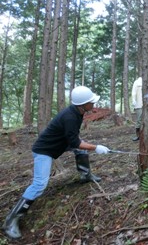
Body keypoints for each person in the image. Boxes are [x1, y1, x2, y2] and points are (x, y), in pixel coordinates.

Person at [3, 86, 111, 239]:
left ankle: (85, 175)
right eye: (91, 102)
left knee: (82, 149)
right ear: (82, 104)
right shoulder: (70, 116)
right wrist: (96, 147)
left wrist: (88, 146)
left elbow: (74, 140)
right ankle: (11, 220)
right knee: (40, 185)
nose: (93, 104)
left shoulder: (78, 113)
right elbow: (75, 141)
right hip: (44, 150)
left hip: (58, 144)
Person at [131, 76, 143, 141]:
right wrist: (134, 100)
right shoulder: (137, 82)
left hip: (146, 105)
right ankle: (138, 136)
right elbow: (133, 93)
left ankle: (144, 135)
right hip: (139, 105)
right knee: (139, 120)